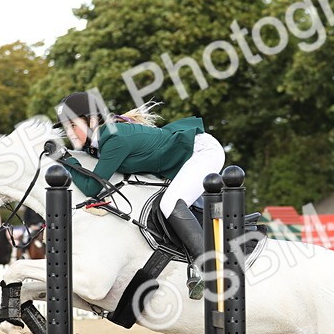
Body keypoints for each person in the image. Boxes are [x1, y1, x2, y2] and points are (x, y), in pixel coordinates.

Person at [56, 93, 225, 299]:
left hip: (203, 152)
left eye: (73, 125)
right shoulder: (101, 142)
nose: (70, 133)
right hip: (185, 158)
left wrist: (66, 159)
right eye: (67, 128)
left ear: (92, 120)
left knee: (170, 203)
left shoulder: (115, 139)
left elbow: (92, 187)